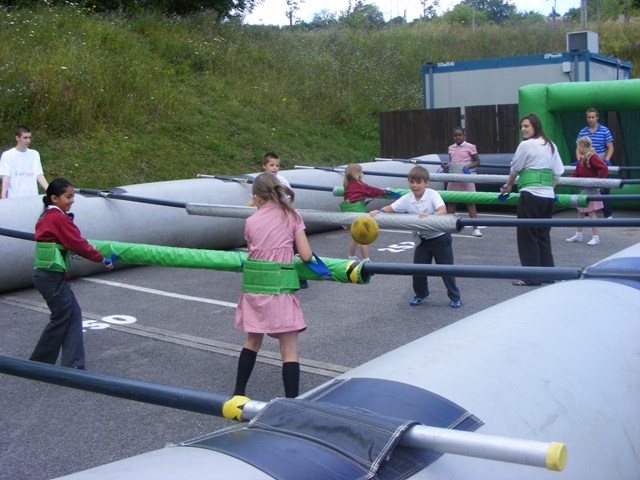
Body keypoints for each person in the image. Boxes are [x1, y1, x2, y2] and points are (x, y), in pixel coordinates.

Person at [233, 173, 313, 398]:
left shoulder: (250, 221)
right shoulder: (292, 215)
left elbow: (254, 254)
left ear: (257, 198)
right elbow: (306, 255)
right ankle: (291, 402)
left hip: (256, 289)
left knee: (252, 340)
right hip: (280, 288)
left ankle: (238, 393)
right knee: (289, 349)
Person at [30, 178, 114, 369]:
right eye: (68, 197)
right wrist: (101, 258)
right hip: (50, 276)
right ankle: (41, 363)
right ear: (54, 198)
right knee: (62, 316)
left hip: (48, 275)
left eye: (73, 196)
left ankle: (70, 364)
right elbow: (77, 243)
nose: (72, 200)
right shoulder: (58, 218)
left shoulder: (48, 216)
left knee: (72, 314)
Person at [370, 166, 462, 308]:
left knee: (446, 269)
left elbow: (442, 210)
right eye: (411, 182)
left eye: (418, 182)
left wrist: (430, 216)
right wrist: (379, 211)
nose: (414, 185)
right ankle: (421, 294)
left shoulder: (432, 194)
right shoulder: (407, 198)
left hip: (440, 237)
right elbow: (392, 207)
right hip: (423, 240)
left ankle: (455, 296)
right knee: (418, 269)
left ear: (426, 183)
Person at [500, 113, 564, 287]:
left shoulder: (526, 145)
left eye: (526, 126)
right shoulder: (551, 145)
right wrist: (549, 187)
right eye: (522, 126)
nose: (523, 129)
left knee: (527, 235)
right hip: (548, 196)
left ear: (535, 126)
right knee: (542, 235)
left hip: (531, 194)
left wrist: (508, 185)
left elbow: (515, 168)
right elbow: (558, 171)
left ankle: (531, 276)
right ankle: (548, 274)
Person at [340, 163, 390, 262]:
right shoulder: (359, 185)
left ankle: (351, 256)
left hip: (348, 211)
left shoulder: (347, 184)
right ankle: (365, 259)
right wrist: (384, 191)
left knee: (355, 235)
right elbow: (371, 190)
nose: (363, 174)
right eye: (361, 172)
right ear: (357, 174)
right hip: (358, 211)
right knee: (364, 235)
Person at [566, 136, 609, 246]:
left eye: (578, 146)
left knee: (591, 212)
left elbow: (603, 167)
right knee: (580, 212)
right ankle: (578, 234)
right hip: (584, 188)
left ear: (582, 145)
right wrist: (568, 180)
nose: (577, 148)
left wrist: (600, 182)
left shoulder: (592, 157)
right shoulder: (583, 158)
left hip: (591, 189)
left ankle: (596, 237)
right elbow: (577, 172)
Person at [442, 126, 483, 237]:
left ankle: (476, 228)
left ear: (464, 136)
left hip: (466, 178)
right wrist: (446, 166)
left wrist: (468, 167)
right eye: (455, 135)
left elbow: (477, 161)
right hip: (454, 177)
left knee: (470, 202)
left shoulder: (470, 147)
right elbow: (452, 162)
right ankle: (448, 227)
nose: (458, 137)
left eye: (460, 135)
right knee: (451, 202)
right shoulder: (451, 148)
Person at [576, 108, 614, 219]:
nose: (591, 119)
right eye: (589, 117)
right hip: (587, 162)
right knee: (587, 188)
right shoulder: (583, 131)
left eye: (593, 117)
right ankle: (587, 213)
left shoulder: (605, 130)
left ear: (597, 117)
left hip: (600, 159)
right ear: (586, 118)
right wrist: (580, 160)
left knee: (604, 188)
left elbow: (610, 147)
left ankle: (608, 215)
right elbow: (578, 148)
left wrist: (606, 160)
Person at [0, 126, 49, 199]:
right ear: (17, 138)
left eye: (29, 138)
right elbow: (6, 176)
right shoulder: (7, 155)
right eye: (25, 138)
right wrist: (3, 195)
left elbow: (39, 175)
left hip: (33, 197)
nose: (28, 141)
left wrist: (50, 191)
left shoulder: (34, 154)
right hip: (14, 198)